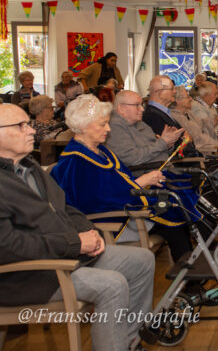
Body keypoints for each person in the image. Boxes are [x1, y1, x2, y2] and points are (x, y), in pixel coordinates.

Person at [0, 103, 155, 351]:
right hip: (28, 275)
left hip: (64, 255)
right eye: (21, 126)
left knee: (142, 260)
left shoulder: (29, 167)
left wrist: (88, 231)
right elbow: (8, 246)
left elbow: (65, 207)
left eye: (28, 123)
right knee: (112, 285)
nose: (31, 131)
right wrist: (75, 243)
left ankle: (127, 341)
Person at [52, 95, 197, 263]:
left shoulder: (101, 151)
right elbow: (97, 202)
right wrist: (142, 182)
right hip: (112, 222)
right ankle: (188, 274)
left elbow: (119, 184)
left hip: (127, 209)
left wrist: (142, 182)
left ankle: (191, 271)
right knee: (176, 224)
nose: (108, 129)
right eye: (102, 124)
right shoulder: (75, 162)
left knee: (179, 206)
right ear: (83, 127)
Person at [106, 90, 183, 166]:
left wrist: (168, 145)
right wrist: (163, 142)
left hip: (164, 167)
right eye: (137, 105)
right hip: (147, 172)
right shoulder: (114, 127)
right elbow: (132, 159)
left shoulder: (141, 123)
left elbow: (157, 150)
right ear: (121, 108)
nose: (142, 109)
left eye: (142, 104)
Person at [143, 75, 197, 156]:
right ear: (160, 92)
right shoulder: (152, 116)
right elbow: (168, 148)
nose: (174, 92)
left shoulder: (162, 112)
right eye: (172, 89)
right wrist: (186, 142)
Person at [170, 86, 218, 155]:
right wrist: (216, 147)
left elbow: (203, 123)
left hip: (207, 149)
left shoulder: (188, 113)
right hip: (198, 155)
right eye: (187, 97)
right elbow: (195, 140)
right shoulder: (175, 117)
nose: (191, 99)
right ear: (178, 101)